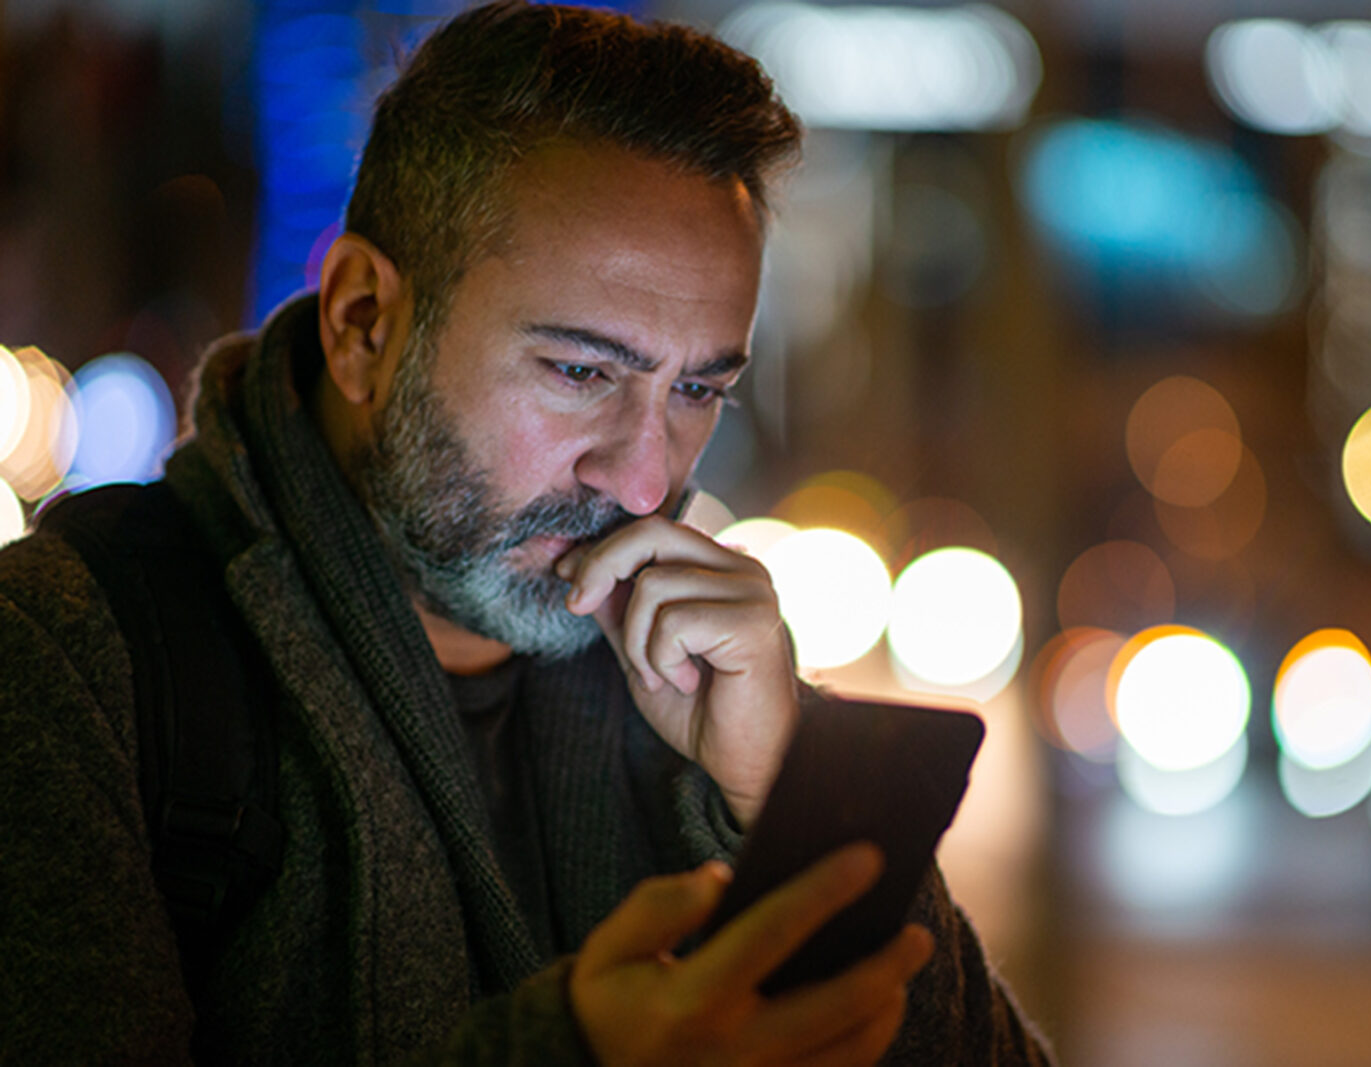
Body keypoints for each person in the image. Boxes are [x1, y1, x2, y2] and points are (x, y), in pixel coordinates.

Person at [0, 3, 1053, 1063]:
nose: (644, 481)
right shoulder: (71, 658)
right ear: (364, 320)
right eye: (582, 371)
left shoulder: (706, 694)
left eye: (698, 389)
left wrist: (788, 791)